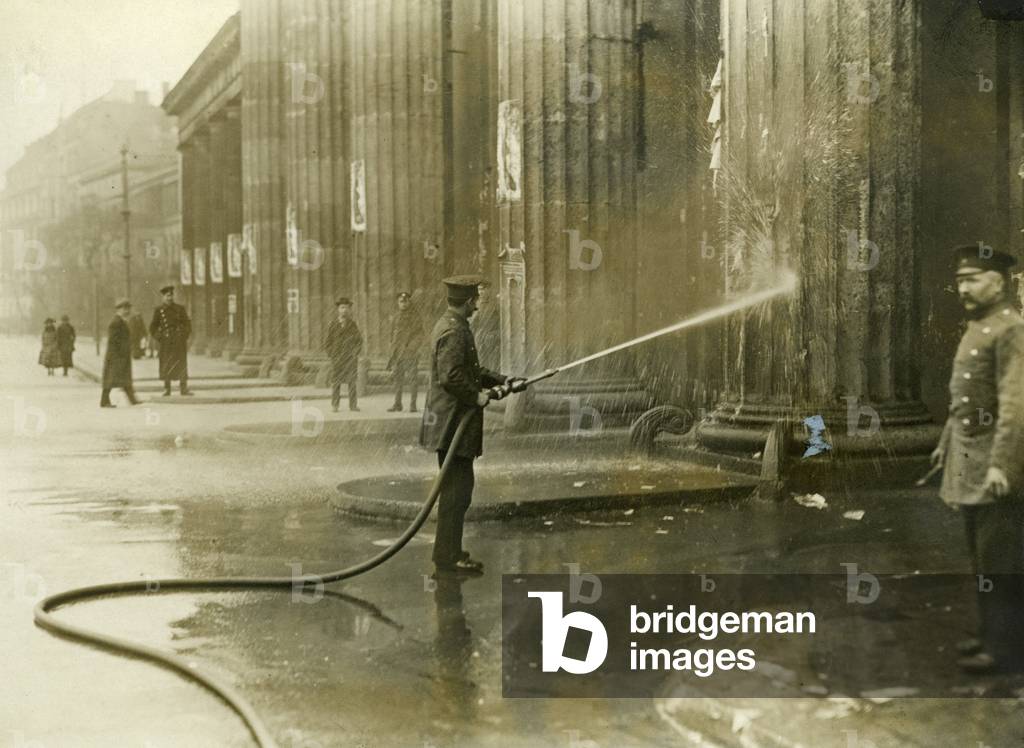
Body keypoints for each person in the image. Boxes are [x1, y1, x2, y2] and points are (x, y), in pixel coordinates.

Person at [932, 244, 1024, 674]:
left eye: (972, 280)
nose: (963, 289)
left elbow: (1015, 405)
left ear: (998, 282)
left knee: (1001, 560)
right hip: (971, 458)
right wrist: (947, 446)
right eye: (959, 282)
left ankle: (1005, 648)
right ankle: (992, 636)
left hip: (994, 464)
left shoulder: (1010, 329)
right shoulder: (979, 326)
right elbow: (964, 402)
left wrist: (1003, 464)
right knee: (983, 558)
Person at [419, 275, 525, 576]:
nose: (478, 304)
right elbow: (451, 376)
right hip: (452, 424)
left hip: (451, 423)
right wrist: (477, 395)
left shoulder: (452, 325)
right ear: (467, 302)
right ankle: (448, 558)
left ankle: (448, 553)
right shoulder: (454, 330)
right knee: (457, 492)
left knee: (457, 490)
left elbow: (471, 370)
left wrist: (504, 381)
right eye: (476, 300)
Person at [149, 284, 193, 397]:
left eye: (171, 295)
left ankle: (183, 388)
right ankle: (167, 388)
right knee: (166, 364)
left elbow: (187, 324)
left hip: (179, 341)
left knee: (181, 363)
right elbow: (152, 327)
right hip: (166, 342)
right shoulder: (158, 310)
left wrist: (183, 335)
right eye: (167, 296)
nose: (170, 298)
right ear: (163, 297)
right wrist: (160, 337)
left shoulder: (180, 309)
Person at [386, 291, 424, 412]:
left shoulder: (415, 316)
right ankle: (398, 404)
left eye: (405, 301)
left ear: (409, 302)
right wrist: (392, 350)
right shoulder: (395, 317)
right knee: (398, 380)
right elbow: (392, 335)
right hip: (398, 354)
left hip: (410, 354)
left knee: (413, 380)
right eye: (401, 302)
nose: (403, 304)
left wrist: (412, 347)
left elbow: (420, 334)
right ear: (398, 303)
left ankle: (413, 405)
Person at [101, 299, 141, 408]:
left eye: (128, 308)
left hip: (119, 355)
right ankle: (104, 401)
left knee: (121, 378)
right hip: (116, 356)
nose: (127, 311)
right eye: (124, 309)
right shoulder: (116, 322)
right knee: (112, 378)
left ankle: (132, 399)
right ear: (118, 309)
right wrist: (121, 352)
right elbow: (114, 341)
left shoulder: (120, 321)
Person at [325, 297, 363, 412]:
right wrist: (332, 355)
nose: (344, 310)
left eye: (346, 308)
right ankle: (335, 405)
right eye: (342, 307)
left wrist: (354, 353)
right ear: (338, 309)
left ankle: (353, 405)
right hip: (337, 359)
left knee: (352, 382)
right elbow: (328, 343)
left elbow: (359, 341)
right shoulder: (333, 325)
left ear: (349, 310)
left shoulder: (353, 325)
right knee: (336, 382)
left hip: (350, 358)